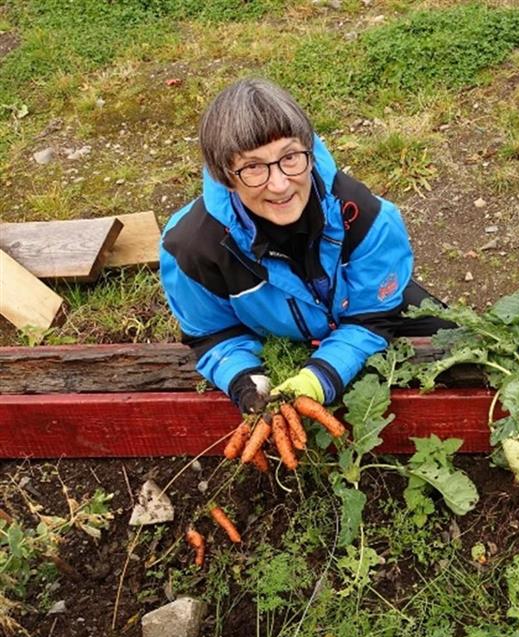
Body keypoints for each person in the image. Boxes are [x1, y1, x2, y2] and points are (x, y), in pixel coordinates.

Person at [160, 78, 452, 415]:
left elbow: (373, 316)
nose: (280, 184)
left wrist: (319, 377)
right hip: (275, 329)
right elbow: (212, 334)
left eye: (290, 157)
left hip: (362, 308)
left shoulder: (364, 217)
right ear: (225, 175)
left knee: (452, 340)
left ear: (309, 153)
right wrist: (243, 379)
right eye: (253, 167)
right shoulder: (191, 249)